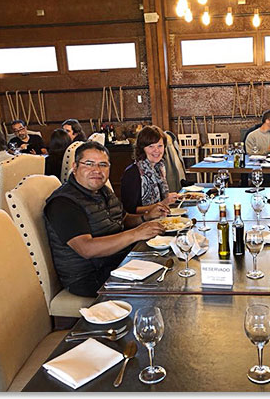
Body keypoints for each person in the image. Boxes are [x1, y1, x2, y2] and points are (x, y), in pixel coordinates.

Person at [44, 141, 167, 297]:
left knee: (168, 260)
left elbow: (123, 218)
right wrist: (136, 234)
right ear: (75, 167)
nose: (97, 170)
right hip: (89, 277)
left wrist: (146, 217)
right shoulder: (63, 203)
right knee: (162, 284)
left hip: (115, 261)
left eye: (103, 165)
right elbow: (87, 249)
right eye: (89, 164)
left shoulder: (102, 190)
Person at [121, 125, 178, 214]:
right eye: (151, 146)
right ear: (142, 148)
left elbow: (161, 199)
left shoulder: (159, 167)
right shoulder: (132, 173)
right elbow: (129, 211)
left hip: (161, 218)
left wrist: (169, 199)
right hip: (142, 224)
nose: (157, 150)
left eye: (160, 146)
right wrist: (163, 203)